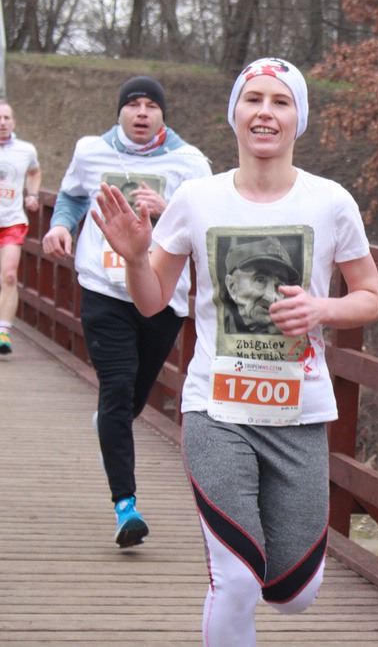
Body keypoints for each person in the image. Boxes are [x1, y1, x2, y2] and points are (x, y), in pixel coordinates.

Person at [93, 57, 378, 646]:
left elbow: (370, 297)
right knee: (236, 579)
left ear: (298, 118)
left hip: (298, 412)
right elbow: (152, 301)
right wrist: (135, 257)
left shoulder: (331, 202)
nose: (265, 113)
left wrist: (321, 309)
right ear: (235, 114)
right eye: (254, 99)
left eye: (281, 101)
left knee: (296, 592)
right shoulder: (197, 198)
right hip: (216, 408)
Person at [41, 76, 211, 547]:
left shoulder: (190, 162)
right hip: (105, 289)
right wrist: (62, 226)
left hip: (161, 295)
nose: (141, 112)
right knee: (115, 390)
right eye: (133, 104)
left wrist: (168, 207)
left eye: (151, 105)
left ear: (163, 114)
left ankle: (110, 425)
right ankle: (126, 506)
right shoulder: (91, 151)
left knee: (130, 400)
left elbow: (208, 223)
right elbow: (73, 194)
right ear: (119, 112)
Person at [0, 100, 42, 355]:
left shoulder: (26, 150)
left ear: (14, 122)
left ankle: (3, 331)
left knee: (9, 275)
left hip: (12, 221)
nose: (2, 123)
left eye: (6, 118)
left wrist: (32, 194)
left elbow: (35, 172)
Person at [222, 236, 301, 334]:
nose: (271, 297)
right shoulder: (215, 327)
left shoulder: (290, 331)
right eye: (260, 280)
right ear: (232, 286)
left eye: (279, 286)